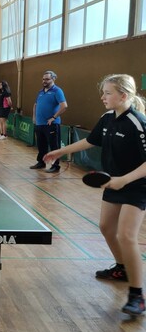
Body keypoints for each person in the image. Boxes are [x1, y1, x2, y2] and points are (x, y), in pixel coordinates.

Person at [43, 74, 146, 316]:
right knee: (106, 227)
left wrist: (124, 180)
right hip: (113, 181)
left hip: (136, 184)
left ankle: (137, 295)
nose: (102, 97)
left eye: (108, 93)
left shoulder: (138, 122)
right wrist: (60, 152)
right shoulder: (107, 118)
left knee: (126, 236)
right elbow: (90, 141)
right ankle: (122, 268)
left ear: (123, 95)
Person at [31, 70, 68, 173]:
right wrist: (34, 117)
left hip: (51, 124)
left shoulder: (57, 91)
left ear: (53, 79)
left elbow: (64, 106)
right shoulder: (40, 92)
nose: (44, 81)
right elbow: (35, 105)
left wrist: (53, 117)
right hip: (39, 124)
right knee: (41, 145)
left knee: (54, 146)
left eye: (47, 79)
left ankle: (55, 166)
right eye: (43, 79)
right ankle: (41, 162)